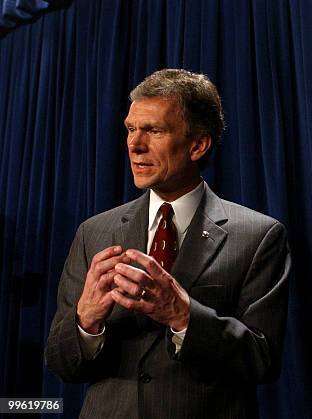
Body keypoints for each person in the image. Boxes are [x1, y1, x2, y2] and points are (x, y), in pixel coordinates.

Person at [45, 69, 291, 419]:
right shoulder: (94, 233)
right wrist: (85, 321)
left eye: (154, 131)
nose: (134, 144)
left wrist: (182, 315)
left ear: (198, 145)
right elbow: (62, 364)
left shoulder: (258, 236)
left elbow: (262, 361)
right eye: (131, 129)